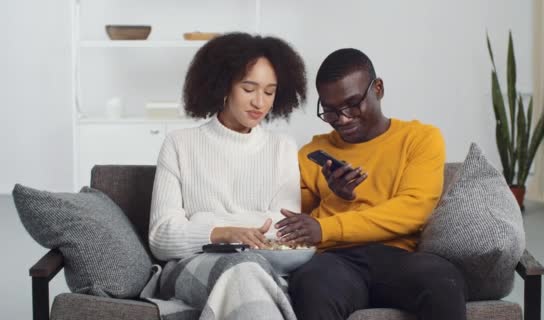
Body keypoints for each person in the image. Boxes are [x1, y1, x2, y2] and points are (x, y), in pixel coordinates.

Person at [276, 48, 468, 320]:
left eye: (352, 104)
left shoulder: (420, 138)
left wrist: (326, 227)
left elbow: (413, 211)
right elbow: (293, 218)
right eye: (330, 111)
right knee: (311, 284)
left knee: (442, 280)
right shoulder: (312, 152)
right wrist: (334, 195)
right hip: (335, 261)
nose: (342, 119)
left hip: (399, 257)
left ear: (378, 88)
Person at [146, 32, 306, 320]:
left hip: (265, 269)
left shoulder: (282, 147)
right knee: (243, 270)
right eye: (248, 88)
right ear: (223, 85)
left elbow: (286, 233)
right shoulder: (179, 144)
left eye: (269, 92)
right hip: (190, 269)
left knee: (248, 269)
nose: (259, 102)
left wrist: (201, 221)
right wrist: (224, 233)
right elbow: (161, 237)